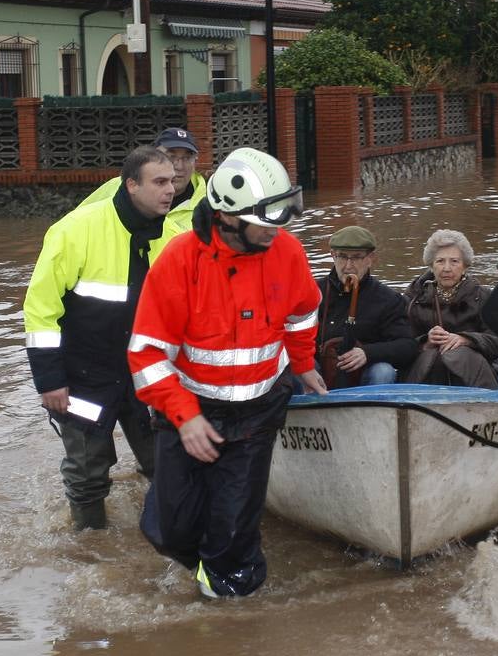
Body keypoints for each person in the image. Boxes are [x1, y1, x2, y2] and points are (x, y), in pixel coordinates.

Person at [128, 147, 327, 599]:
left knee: (235, 532)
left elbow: (303, 313)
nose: (277, 235)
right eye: (266, 225)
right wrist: (185, 416)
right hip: (192, 409)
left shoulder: (286, 250)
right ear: (228, 218)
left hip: (259, 410)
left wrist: (303, 363)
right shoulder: (180, 261)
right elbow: (146, 354)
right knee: (168, 531)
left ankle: (232, 609)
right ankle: (203, 560)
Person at [23, 145, 180, 531]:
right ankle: (91, 545)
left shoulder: (174, 238)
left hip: (145, 374)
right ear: (131, 186)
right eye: (160, 182)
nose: (171, 190)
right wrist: (50, 381)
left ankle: (163, 533)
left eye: (173, 181)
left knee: (167, 463)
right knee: (88, 472)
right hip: (82, 376)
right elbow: (40, 309)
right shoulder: (75, 230)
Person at [402, 229, 498, 389]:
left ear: (465, 266)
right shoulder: (413, 298)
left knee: (459, 354)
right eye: (440, 261)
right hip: (426, 376)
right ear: (431, 265)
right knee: (431, 356)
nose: (446, 268)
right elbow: (399, 343)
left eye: (454, 261)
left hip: (475, 376)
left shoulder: (484, 296)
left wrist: (467, 340)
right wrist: (425, 342)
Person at [315, 225, 417, 388]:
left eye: (356, 258)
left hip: (364, 375)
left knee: (384, 371)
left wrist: (368, 353)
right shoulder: (314, 293)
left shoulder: (388, 299)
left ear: (371, 258)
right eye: (342, 257)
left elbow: (408, 346)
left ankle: (372, 411)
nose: (348, 266)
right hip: (319, 372)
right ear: (332, 255)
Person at [80, 127, 207, 225]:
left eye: (187, 158)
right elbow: (75, 223)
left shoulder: (208, 206)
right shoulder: (118, 187)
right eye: (171, 156)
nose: (179, 166)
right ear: (154, 156)